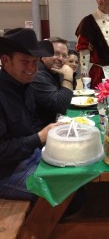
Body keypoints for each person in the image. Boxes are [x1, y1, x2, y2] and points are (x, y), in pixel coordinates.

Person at [0, 27, 61, 201]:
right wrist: (40, 137)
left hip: (29, 156)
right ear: (5, 60)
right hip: (6, 172)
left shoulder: (25, 86)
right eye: (25, 62)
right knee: (66, 190)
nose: (32, 68)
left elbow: (32, 125)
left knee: (74, 177)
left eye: (34, 62)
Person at [31, 37, 74, 128]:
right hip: (40, 132)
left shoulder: (54, 70)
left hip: (53, 123)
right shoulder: (38, 74)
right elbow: (60, 107)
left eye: (64, 55)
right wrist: (68, 77)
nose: (60, 59)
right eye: (56, 53)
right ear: (43, 55)